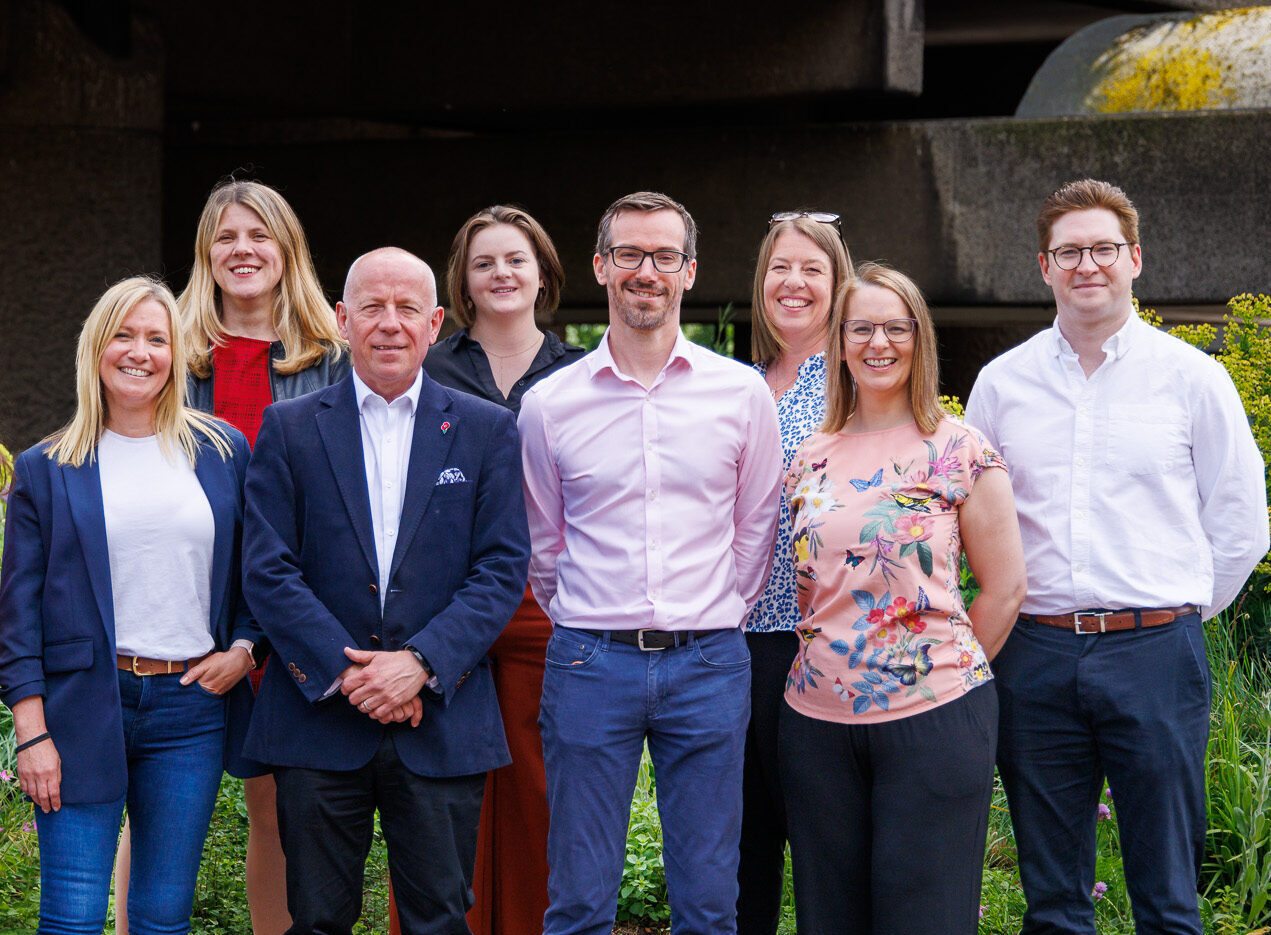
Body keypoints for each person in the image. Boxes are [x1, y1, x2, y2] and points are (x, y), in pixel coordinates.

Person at [965, 178, 1269, 935]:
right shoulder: (1002, 384)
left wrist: (1177, 612)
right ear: (1044, 266)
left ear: (1133, 258)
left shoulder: (1191, 376)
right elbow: (966, 517)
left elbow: (1238, 518)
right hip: (1033, 654)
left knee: (1167, 894)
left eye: (1103, 248)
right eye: (1068, 251)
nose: (1086, 265)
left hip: (1155, 650)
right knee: (1053, 897)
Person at [241, 246, 530, 935]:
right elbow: (267, 567)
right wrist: (355, 675)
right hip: (317, 719)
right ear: (343, 319)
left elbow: (500, 568)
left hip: (439, 716)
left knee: (437, 919)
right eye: (372, 306)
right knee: (314, 919)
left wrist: (419, 664)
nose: (390, 323)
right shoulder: (288, 427)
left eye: (407, 308)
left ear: (434, 323)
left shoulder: (486, 429)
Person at [519, 191, 782, 935]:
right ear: (601, 266)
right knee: (577, 898)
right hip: (587, 662)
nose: (646, 271)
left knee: (707, 900)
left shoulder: (740, 394)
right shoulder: (549, 404)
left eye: (664, 256)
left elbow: (755, 524)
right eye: (629, 254)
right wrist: (595, 614)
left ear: (689, 271)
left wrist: (709, 609)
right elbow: (545, 544)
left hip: (707, 662)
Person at [114, 178, 348, 935]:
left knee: (274, 808)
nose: (242, 250)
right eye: (225, 237)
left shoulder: (334, 362)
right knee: (144, 805)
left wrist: (274, 630)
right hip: (177, 606)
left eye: (258, 235)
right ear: (204, 254)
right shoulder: (164, 358)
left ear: (288, 251)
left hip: (289, 614)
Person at [0, 276, 257, 934]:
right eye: (123, 334)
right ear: (96, 348)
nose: (139, 351)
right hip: (82, 704)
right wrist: (32, 733)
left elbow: (261, 569)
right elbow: (18, 613)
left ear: (176, 354)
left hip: (190, 710)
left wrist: (244, 648)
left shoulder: (222, 452)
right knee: (73, 913)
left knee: (163, 913)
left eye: (156, 337)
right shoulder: (46, 467)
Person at [779, 262, 1027, 935]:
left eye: (895, 327)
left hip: (935, 717)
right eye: (861, 327)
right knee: (828, 920)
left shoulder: (957, 448)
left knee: (924, 917)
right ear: (838, 340)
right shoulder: (808, 456)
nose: (877, 342)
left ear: (919, 339)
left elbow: (1005, 588)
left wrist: (933, 666)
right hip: (815, 723)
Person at [423, 205, 584, 935]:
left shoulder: (584, 372)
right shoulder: (428, 367)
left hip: (542, 602)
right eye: (483, 262)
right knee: (434, 794)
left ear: (542, 273)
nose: (500, 274)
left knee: (537, 790)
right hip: (439, 602)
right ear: (463, 279)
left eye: (515, 259)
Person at [737, 210, 852, 935]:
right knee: (741, 848)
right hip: (732, 646)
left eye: (813, 268)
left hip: (823, 645)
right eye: (781, 266)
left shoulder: (854, 381)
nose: (794, 282)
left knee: (822, 846)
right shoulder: (730, 381)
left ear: (838, 284)